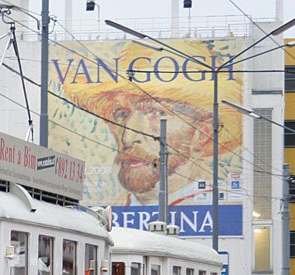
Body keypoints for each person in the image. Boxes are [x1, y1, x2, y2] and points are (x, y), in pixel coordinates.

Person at [59, 39, 243, 206]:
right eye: (121, 113)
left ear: (203, 132)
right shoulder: (109, 211)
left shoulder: (218, 209)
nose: (128, 137)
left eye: (155, 113)